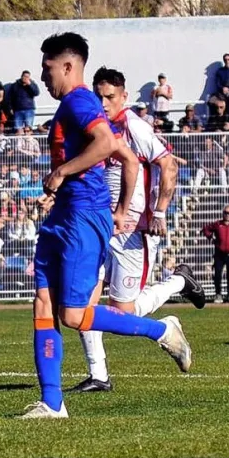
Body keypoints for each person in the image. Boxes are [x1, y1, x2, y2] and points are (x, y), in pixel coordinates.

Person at [22, 32, 190, 420]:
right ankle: (52, 404)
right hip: (65, 214)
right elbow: (126, 158)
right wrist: (118, 209)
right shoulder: (74, 105)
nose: (43, 77)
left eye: (48, 68)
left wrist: (63, 172)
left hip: (83, 215)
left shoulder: (79, 101)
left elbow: (105, 144)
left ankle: (162, 331)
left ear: (68, 66)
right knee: (43, 303)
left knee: (74, 316)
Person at [70, 67, 207, 394]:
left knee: (123, 312)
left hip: (134, 231)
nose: (104, 103)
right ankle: (98, 375)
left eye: (110, 97)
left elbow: (168, 164)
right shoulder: (95, 127)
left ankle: (179, 282)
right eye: (99, 96)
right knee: (83, 303)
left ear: (124, 97)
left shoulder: (134, 126)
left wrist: (159, 212)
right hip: (100, 227)